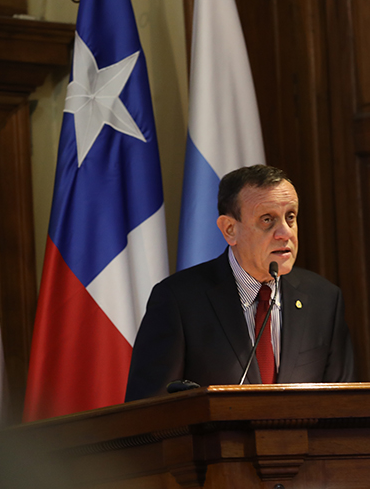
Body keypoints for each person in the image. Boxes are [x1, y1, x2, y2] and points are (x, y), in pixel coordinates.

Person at [125, 165, 355, 400]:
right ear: (230, 230)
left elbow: (342, 406)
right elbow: (147, 412)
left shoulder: (324, 299)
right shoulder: (179, 300)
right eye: (268, 219)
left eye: (291, 217)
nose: (285, 233)